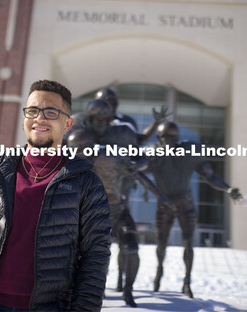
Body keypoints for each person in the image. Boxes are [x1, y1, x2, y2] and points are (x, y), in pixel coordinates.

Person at [0, 80, 112, 312]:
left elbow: (95, 256)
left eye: (51, 112)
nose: (40, 118)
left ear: (68, 123)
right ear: (24, 117)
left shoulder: (86, 183)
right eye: (33, 111)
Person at [66, 129, 175, 308]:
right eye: (73, 151)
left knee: (131, 248)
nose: (76, 155)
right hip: (93, 215)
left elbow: (138, 174)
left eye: (79, 150)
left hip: (118, 211)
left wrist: (161, 196)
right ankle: (89, 292)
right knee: (89, 256)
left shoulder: (110, 158)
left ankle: (128, 290)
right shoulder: (72, 166)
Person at [145, 121, 242, 298]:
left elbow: (210, 176)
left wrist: (227, 188)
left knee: (188, 244)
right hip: (165, 204)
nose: (168, 141)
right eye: (165, 137)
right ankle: (158, 275)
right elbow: (139, 170)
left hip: (185, 202)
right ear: (159, 139)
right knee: (161, 244)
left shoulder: (190, 151)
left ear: (178, 138)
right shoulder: (153, 153)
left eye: (172, 137)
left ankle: (187, 282)